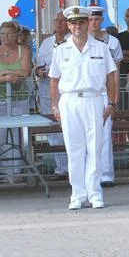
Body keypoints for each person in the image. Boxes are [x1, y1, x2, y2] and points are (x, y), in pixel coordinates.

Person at [50, 6, 119, 210]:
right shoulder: (61, 49)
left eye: (81, 22)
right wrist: (55, 105)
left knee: (95, 148)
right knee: (74, 150)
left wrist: (111, 102)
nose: (77, 26)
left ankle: (95, 193)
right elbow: (54, 79)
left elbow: (111, 76)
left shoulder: (101, 47)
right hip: (70, 100)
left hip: (94, 99)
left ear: (87, 23)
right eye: (73, 23)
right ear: (68, 25)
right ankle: (77, 194)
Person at [0, 20, 33, 178]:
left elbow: (26, 71)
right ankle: (5, 171)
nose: (6, 37)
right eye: (3, 34)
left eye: (9, 34)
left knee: (18, 133)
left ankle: (18, 170)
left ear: (16, 35)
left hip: (19, 97)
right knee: (2, 133)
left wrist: (5, 72)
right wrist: (8, 78)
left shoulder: (24, 50)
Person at [89, 7, 123, 185]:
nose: (93, 22)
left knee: (104, 134)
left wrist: (114, 97)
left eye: (96, 19)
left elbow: (115, 72)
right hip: (88, 91)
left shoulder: (113, 42)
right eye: (90, 19)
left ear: (101, 20)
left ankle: (106, 174)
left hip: (104, 91)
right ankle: (90, 174)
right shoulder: (81, 41)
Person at [35, 13, 71, 178]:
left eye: (63, 20)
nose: (59, 23)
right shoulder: (46, 43)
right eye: (57, 20)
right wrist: (39, 72)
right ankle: (61, 168)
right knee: (53, 130)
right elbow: (37, 66)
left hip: (66, 90)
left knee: (69, 129)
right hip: (47, 90)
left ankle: (73, 168)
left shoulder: (73, 41)